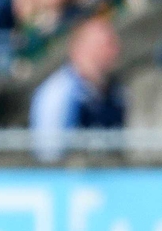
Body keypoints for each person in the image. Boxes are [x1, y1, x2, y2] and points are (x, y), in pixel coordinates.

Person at [29, 16, 125, 163]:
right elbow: (48, 154)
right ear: (79, 49)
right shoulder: (60, 92)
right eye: (105, 45)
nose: (114, 51)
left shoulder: (116, 92)